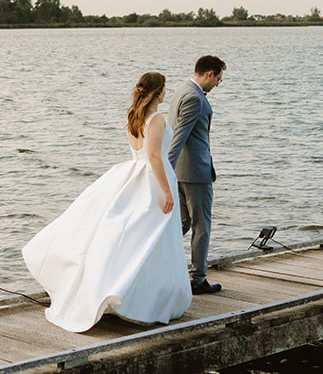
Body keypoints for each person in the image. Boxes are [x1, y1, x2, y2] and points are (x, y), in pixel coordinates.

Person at [22, 72, 194, 332]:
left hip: (134, 175)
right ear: (158, 92)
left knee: (135, 238)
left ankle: (124, 291)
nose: (165, 93)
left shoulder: (133, 116)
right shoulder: (156, 119)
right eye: (164, 89)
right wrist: (167, 192)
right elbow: (154, 157)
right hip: (152, 180)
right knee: (153, 240)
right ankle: (145, 299)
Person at [169, 55, 226, 295]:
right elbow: (179, 136)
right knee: (201, 227)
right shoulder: (194, 98)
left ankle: (154, 260)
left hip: (181, 173)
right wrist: (165, 169)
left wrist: (170, 171)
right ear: (209, 74)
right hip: (195, 174)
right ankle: (198, 279)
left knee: (181, 224)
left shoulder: (181, 91)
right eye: (218, 79)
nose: (217, 84)